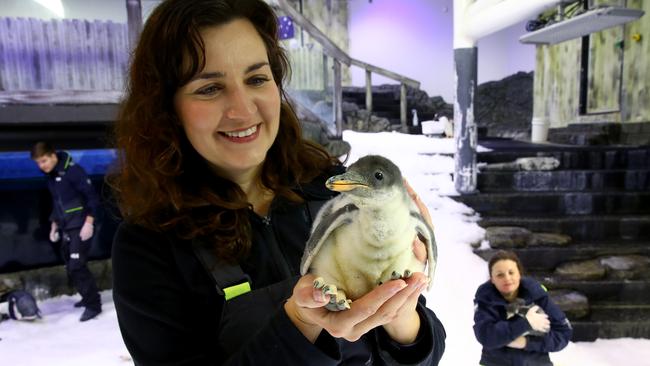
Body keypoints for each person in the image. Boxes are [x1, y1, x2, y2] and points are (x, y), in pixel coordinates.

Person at [108, 0, 446, 364]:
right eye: (209, 88)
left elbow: (423, 347)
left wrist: (401, 309)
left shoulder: (331, 188)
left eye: (256, 79)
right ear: (166, 106)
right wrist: (301, 323)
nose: (243, 109)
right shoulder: (148, 247)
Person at [31, 142, 102, 322]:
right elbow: (58, 203)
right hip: (66, 226)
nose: (42, 166)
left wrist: (89, 222)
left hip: (80, 225)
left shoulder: (73, 171)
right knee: (70, 265)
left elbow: (92, 197)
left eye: (44, 160)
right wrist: (54, 225)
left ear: (53, 155)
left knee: (77, 265)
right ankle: (87, 298)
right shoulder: (52, 177)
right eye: (38, 163)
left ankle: (94, 305)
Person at [473, 250, 572, 366]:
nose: (507, 278)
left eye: (511, 272)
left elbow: (563, 334)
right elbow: (486, 336)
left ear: (519, 273)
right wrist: (525, 323)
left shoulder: (538, 295)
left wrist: (526, 343)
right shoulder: (485, 299)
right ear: (492, 279)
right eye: (500, 275)